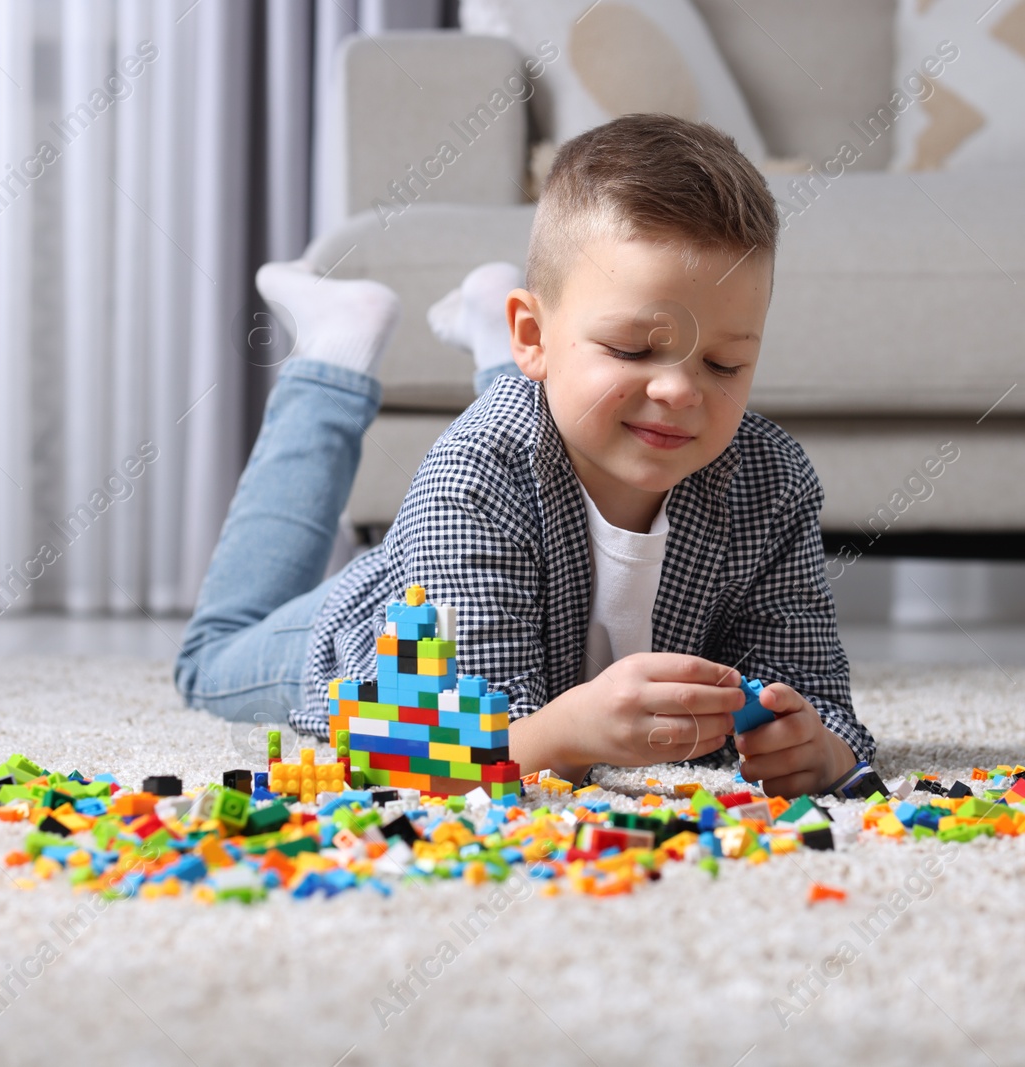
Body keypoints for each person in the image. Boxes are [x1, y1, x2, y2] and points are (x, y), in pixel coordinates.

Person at [176, 112, 875, 798]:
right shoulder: (473, 474)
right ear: (533, 336)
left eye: (724, 364)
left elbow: (816, 692)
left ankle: (491, 330)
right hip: (376, 629)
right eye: (633, 349)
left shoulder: (772, 479)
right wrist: (571, 733)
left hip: (532, 457)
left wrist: (813, 743)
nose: (680, 390)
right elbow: (452, 746)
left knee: (582, 408)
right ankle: (333, 353)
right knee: (208, 660)